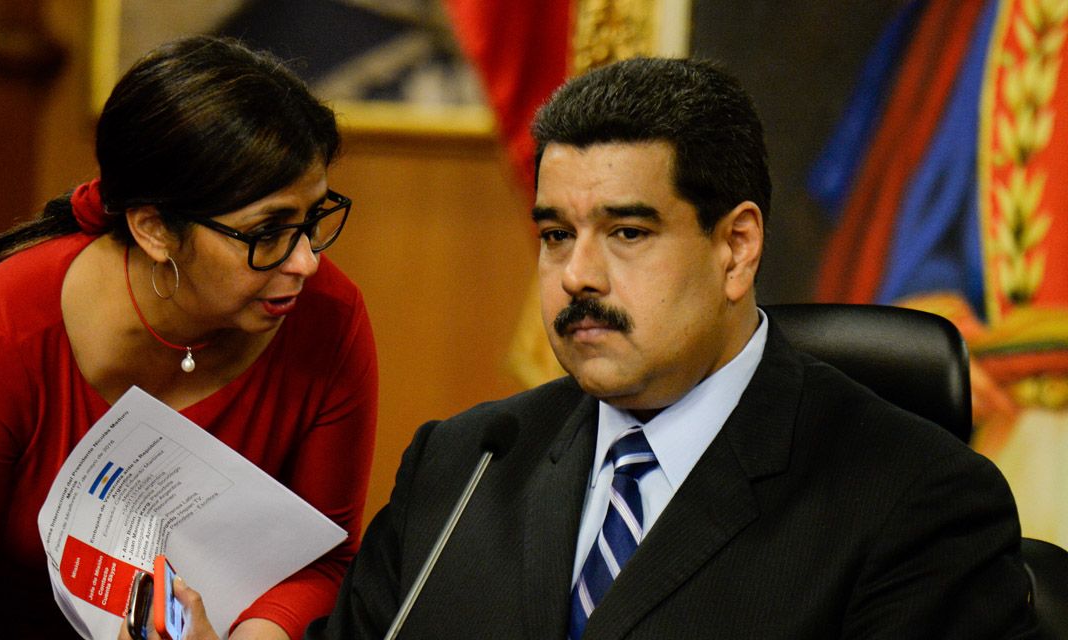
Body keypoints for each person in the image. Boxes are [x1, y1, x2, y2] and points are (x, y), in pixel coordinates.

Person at [297, 57, 1033, 637]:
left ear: (736, 247)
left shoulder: (915, 501)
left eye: (627, 232)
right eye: (556, 235)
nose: (577, 275)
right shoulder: (464, 468)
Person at [0, 36, 377, 640]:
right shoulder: (6, 325)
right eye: (267, 232)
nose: (305, 262)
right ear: (154, 229)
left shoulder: (329, 318)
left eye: (312, 220)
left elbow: (321, 560)